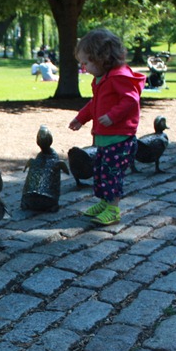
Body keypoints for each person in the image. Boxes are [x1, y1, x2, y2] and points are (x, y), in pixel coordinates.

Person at [68, 28, 145, 226]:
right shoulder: (102, 79)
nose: (84, 68)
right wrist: (81, 118)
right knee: (101, 172)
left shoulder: (119, 76)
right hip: (105, 137)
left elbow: (131, 99)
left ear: (101, 58)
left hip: (119, 138)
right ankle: (104, 202)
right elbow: (95, 103)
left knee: (111, 173)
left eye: (86, 63)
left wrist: (112, 116)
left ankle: (113, 209)